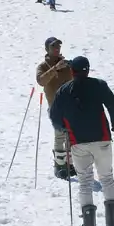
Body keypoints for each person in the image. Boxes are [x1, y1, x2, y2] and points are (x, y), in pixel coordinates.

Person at [49, 56, 114, 226]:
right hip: (102, 139)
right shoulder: (99, 85)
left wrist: (63, 128)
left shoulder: (63, 90)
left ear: (71, 71)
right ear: (88, 70)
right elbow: (112, 105)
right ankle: (113, 224)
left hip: (78, 142)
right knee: (107, 178)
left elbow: (54, 114)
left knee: (85, 181)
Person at [36, 37, 76, 180]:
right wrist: (55, 68)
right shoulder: (43, 66)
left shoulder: (66, 65)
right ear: (47, 49)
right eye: (53, 46)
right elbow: (41, 81)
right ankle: (59, 166)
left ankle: (69, 164)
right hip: (55, 106)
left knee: (71, 135)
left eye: (58, 46)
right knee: (60, 134)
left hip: (70, 105)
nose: (57, 48)